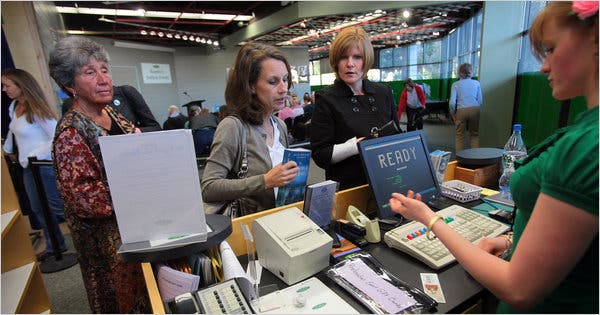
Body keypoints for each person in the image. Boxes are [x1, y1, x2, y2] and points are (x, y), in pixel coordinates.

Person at [389, 2, 598, 313]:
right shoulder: (587, 131)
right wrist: (512, 241)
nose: (543, 66)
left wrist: (428, 218)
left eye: (551, 49)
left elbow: (518, 287)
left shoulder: (587, 146)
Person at [48, 36, 150, 313]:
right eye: (90, 72)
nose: (103, 79)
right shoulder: (71, 132)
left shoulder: (113, 115)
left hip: (136, 226)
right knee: (119, 302)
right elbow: (88, 201)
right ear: (70, 85)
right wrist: (140, 183)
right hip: (107, 247)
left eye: (104, 69)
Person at [201, 42, 299, 216]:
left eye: (285, 79)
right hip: (250, 228)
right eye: (272, 82)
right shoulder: (233, 127)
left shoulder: (280, 126)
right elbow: (209, 187)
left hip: (283, 219)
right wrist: (265, 181)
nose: (284, 89)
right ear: (251, 85)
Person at [310, 26, 398, 190]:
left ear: (367, 60)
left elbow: (396, 135)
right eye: (343, 57)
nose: (350, 64)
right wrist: (359, 144)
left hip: (387, 180)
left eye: (357, 57)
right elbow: (321, 155)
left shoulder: (383, 92)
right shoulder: (327, 98)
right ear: (336, 61)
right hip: (348, 186)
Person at [1, 68, 68, 261]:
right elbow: (13, 132)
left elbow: (56, 137)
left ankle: (85, 240)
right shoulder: (14, 107)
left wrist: (33, 155)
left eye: (7, 85)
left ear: (21, 85)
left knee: (57, 206)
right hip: (26, 167)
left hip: (42, 166)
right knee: (38, 208)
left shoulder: (37, 108)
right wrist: (7, 150)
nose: (4, 89)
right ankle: (55, 245)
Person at [449, 63, 482, 152]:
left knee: (459, 136)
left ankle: (460, 159)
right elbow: (480, 101)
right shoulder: (477, 83)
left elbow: (452, 103)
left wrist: (453, 114)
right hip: (475, 109)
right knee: (474, 135)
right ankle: (476, 158)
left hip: (461, 111)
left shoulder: (455, 84)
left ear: (460, 73)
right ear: (471, 72)